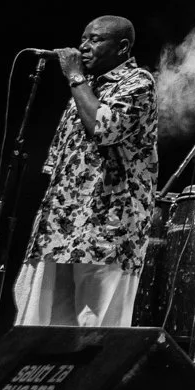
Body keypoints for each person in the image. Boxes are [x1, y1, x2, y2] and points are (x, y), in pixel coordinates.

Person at [14, 16, 156, 328]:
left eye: (95, 39)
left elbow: (104, 128)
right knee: (46, 326)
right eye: (84, 38)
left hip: (107, 228)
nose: (84, 46)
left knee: (96, 331)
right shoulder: (87, 88)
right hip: (62, 228)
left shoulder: (137, 83)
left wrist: (76, 77)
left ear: (122, 47)